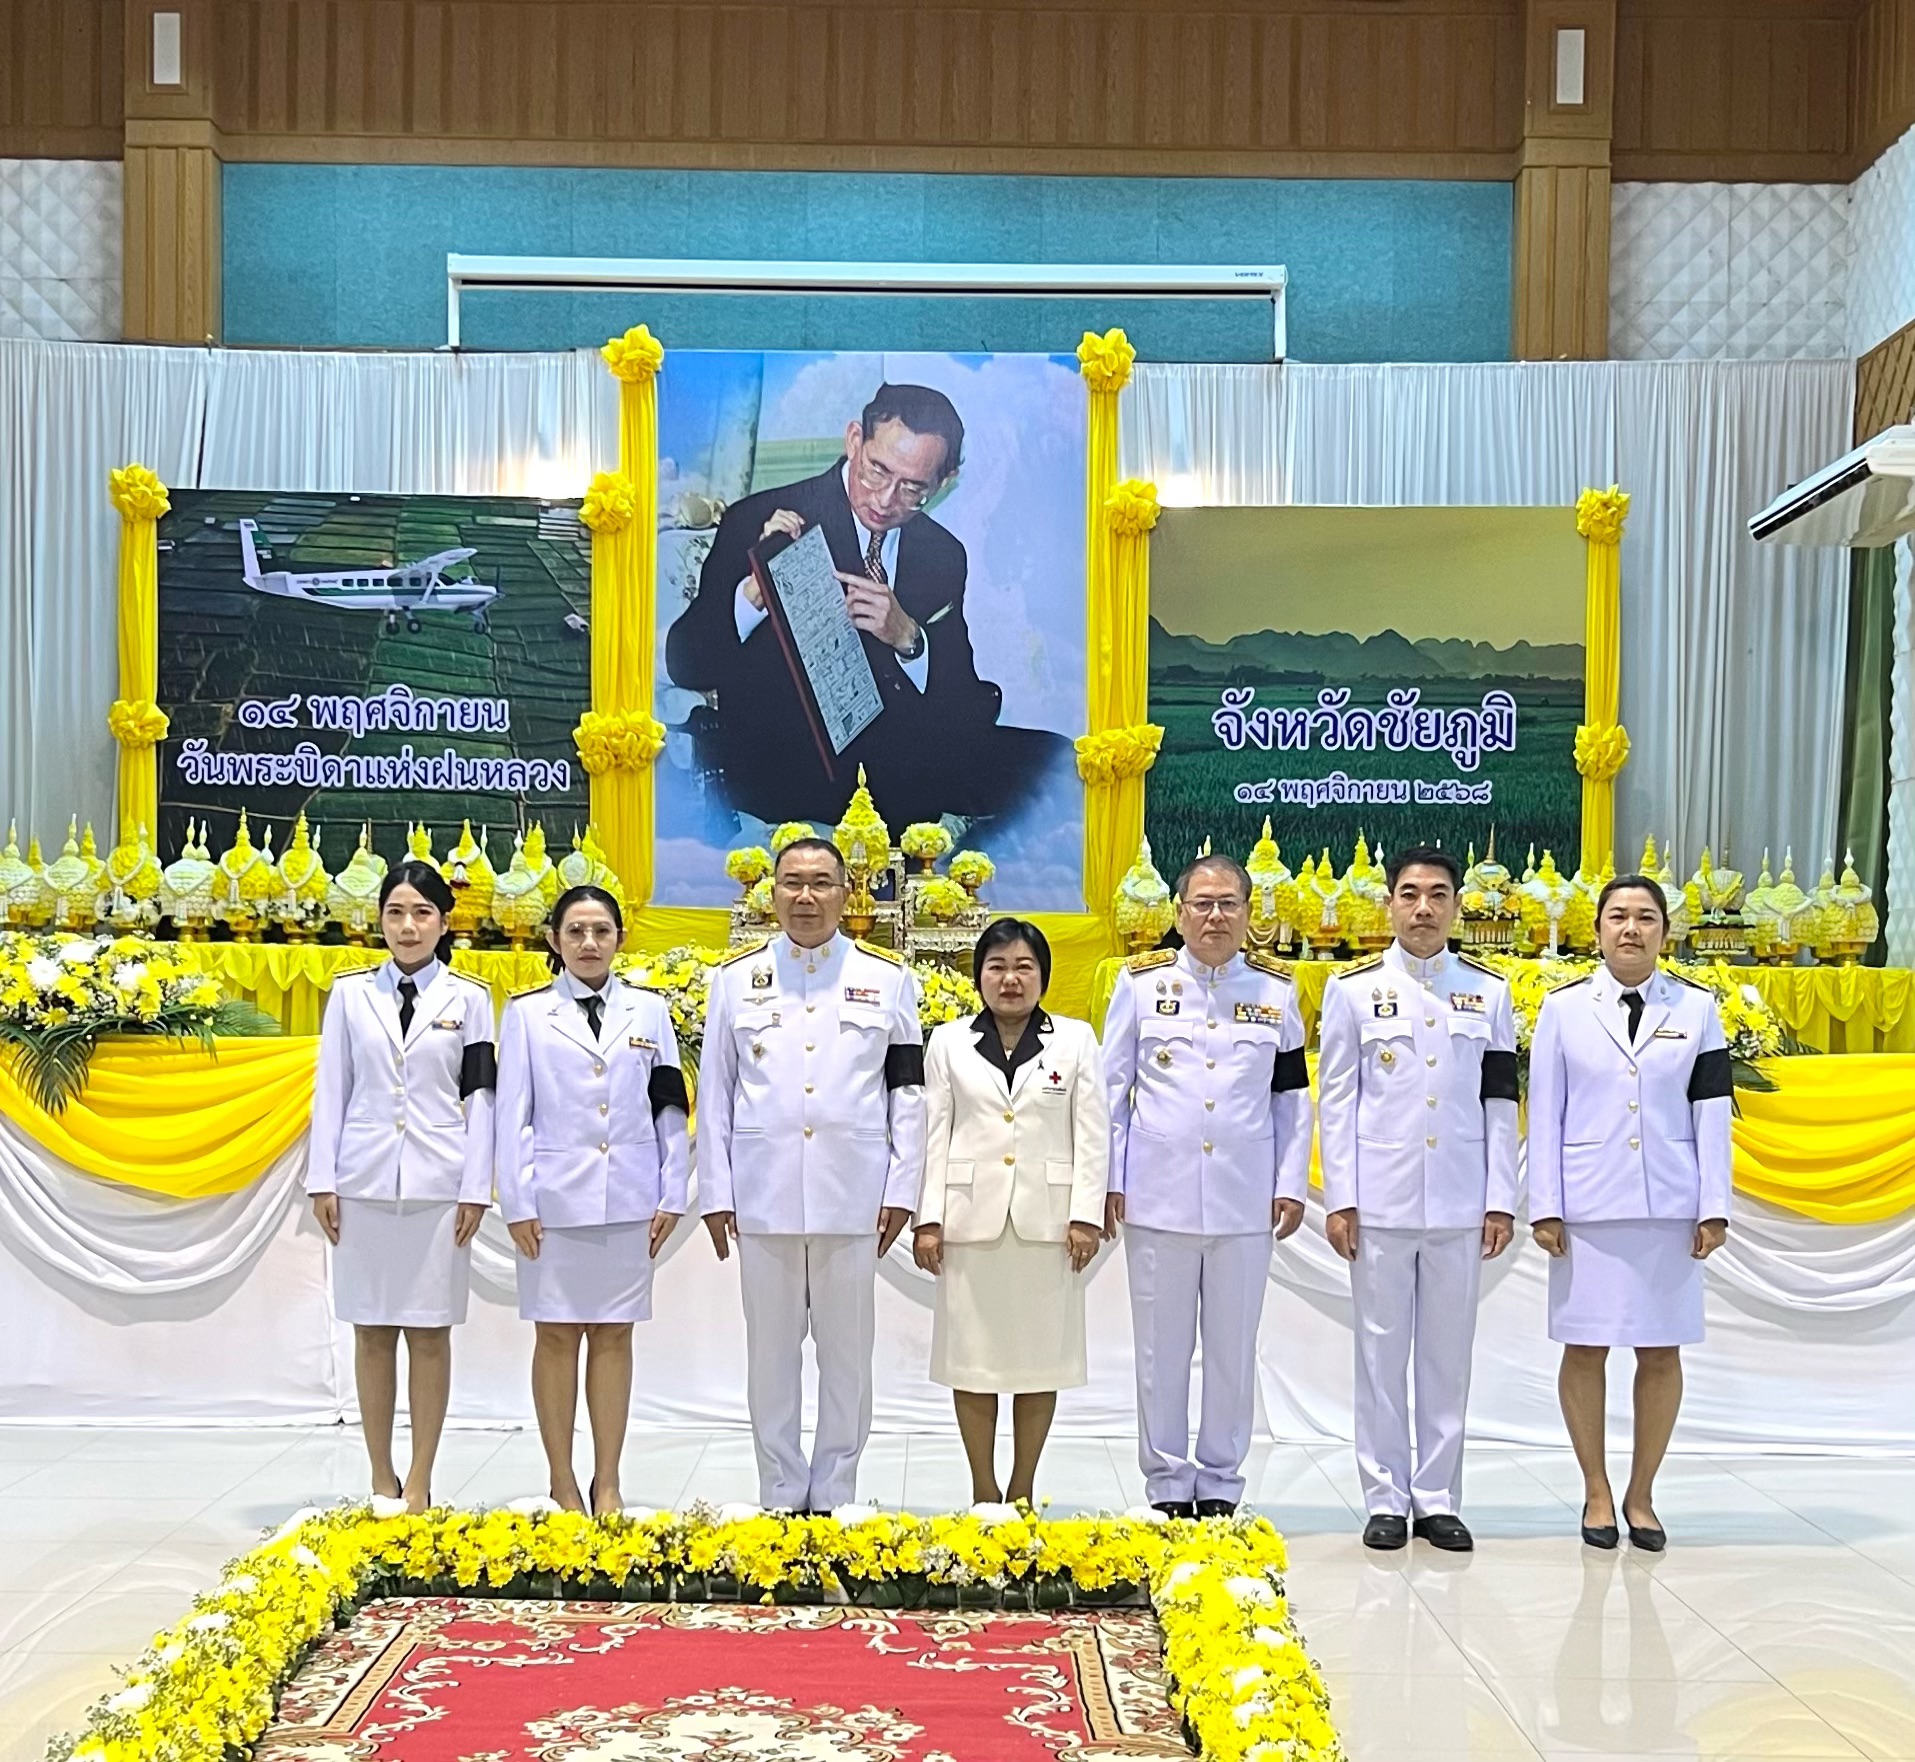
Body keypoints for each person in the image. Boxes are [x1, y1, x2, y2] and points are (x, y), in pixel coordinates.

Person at [665, 382, 1067, 824]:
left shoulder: (942, 554)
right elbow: (688, 664)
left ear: (944, 482)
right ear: (855, 440)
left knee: (1060, 762)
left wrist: (910, 639)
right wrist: (754, 593)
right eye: (877, 470)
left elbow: (963, 705)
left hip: (907, 766)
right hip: (793, 768)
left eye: (914, 488)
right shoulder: (759, 519)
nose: (885, 499)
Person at [699, 836, 926, 1513]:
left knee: (846, 1356)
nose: (805, 896)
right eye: (792, 883)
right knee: (770, 1356)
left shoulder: (887, 980)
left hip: (851, 1194)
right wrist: (715, 1190)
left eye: (820, 883)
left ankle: (834, 1491)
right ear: (770, 893)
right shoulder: (733, 980)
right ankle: (777, 1489)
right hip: (762, 1193)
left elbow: (906, 1093)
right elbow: (714, 1092)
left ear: (846, 892)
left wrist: (901, 1186)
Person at [1317, 845, 1519, 1553]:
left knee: (1444, 1353)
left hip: (1460, 1201)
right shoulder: (1350, 991)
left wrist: (1501, 1197)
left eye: (1437, 894)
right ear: (1389, 905)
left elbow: (1500, 1102)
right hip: (1379, 1199)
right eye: (1409, 894)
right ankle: (1382, 1495)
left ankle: (1436, 1497)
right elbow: (1336, 1101)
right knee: (1378, 1351)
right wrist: (1339, 1197)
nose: (1423, 907)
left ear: (1457, 904)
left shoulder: (1488, 993)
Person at [1103, 853, 1313, 1518]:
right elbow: (1111, 1093)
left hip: (1242, 1196)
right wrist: (1108, 1182)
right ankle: (1166, 1480)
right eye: (1202, 903)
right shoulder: (1138, 986)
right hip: (1156, 1194)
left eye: (1228, 904)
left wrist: (1289, 1183)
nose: (1214, 915)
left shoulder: (1275, 993)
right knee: (1159, 1350)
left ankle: (1220, 1480)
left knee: (1230, 1346)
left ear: (1249, 915)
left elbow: (1291, 1100)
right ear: (1178, 912)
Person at [1528, 873, 1732, 1552]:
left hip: (1667, 1205)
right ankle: (1594, 1491)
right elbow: (1547, 1112)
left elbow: (1709, 1116)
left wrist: (1713, 1205)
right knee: (1584, 1347)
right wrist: (1545, 1206)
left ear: (1665, 934)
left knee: (1659, 1349)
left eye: (1645, 917)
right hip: (1586, 1206)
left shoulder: (1698, 1010)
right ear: (1595, 932)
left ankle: (1641, 1494)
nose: (1630, 929)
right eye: (1617, 916)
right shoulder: (1561, 1009)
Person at [306, 860, 496, 1514]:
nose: (408, 926)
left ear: (444, 923)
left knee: (430, 1331)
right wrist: (321, 1178)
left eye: (421, 914)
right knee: (371, 1330)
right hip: (362, 1181)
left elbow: (482, 1097)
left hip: (439, 1184)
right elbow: (332, 1088)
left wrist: (477, 1184)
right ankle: (381, 1476)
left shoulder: (470, 999)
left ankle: (419, 1482)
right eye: (395, 913)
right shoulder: (350, 995)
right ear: (379, 920)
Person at [495, 884, 689, 1516]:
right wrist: (517, 1202)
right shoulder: (527, 1014)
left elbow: (668, 1103)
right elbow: (513, 1115)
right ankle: (561, 1479)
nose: (588, 943)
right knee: (555, 1336)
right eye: (574, 931)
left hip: (629, 1197)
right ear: (554, 940)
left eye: (601, 931)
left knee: (613, 1336)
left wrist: (673, 1186)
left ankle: (607, 1480)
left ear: (619, 939)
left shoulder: (649, 1012)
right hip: (552, 1202)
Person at [913, 918, 1108, 1506]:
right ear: (978, 977)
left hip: (1047, 1225)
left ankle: (1022, 1489)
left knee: (1038, 1362)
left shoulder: (1075, 1041)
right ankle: (982, 1489)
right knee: (971, 1362)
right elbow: (934, 1133)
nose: (1010, 979)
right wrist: (928, 1218)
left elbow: (1092, 1133)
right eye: (996, 967)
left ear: (1044, 976)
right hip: (969, 1222)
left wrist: (1085, 1215)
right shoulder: (947, 1042)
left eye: (1024, 967)